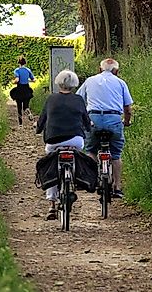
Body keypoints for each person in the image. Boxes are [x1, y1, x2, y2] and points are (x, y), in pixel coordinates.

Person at [35, 69, 92, 219]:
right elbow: (86, 121)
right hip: (75, 140)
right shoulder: (79, 100)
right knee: (78, 155)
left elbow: (42, 120)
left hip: (53, 141)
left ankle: (52, 205)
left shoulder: (51, 99)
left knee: (52, 167)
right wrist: (88, 128)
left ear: (58, 83)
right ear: (74, 84)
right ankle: (75, 178)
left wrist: (38, 129)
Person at [78, 58, 134, 199]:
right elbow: (127, 108)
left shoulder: (89, 81)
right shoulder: (121, 83)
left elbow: (78, 100)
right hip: (114, 120)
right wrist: (126, 121)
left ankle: (91, 179)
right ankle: (117, 187)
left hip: (93, 120)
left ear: (99, 69)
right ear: (116, 71)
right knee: (116, 154)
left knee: (91, 150)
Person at [10, 56, 35, 125]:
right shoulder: (28, 70)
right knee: (25, 106)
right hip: (27, 89)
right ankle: (28, 111)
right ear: (25, 63)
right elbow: (34, 80)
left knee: (19, 107)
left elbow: (17, 80)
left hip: (19, 89)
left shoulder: (17, 70)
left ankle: (20, 124)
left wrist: (13, 82)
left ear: (18, 63)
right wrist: (28, 80)